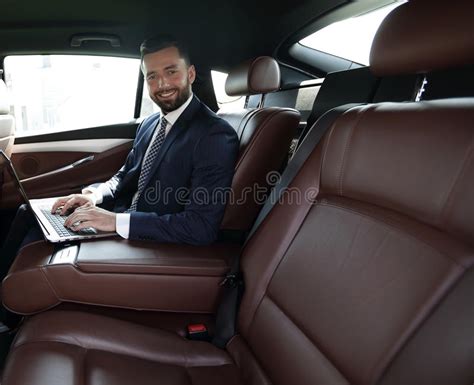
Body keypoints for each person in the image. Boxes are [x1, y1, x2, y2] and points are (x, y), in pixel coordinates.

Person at [0, 35, 239, 279]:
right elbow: (125, 175)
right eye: (152, 76)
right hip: (124, 216)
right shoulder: (150, 124)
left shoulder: (214, 134)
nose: (162, 84)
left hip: (155, 241)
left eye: (171, 71)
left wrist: (115, 222)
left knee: (36, 239)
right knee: (27, 213)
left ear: (190, 74)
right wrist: (93, 195)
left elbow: (200, 227)